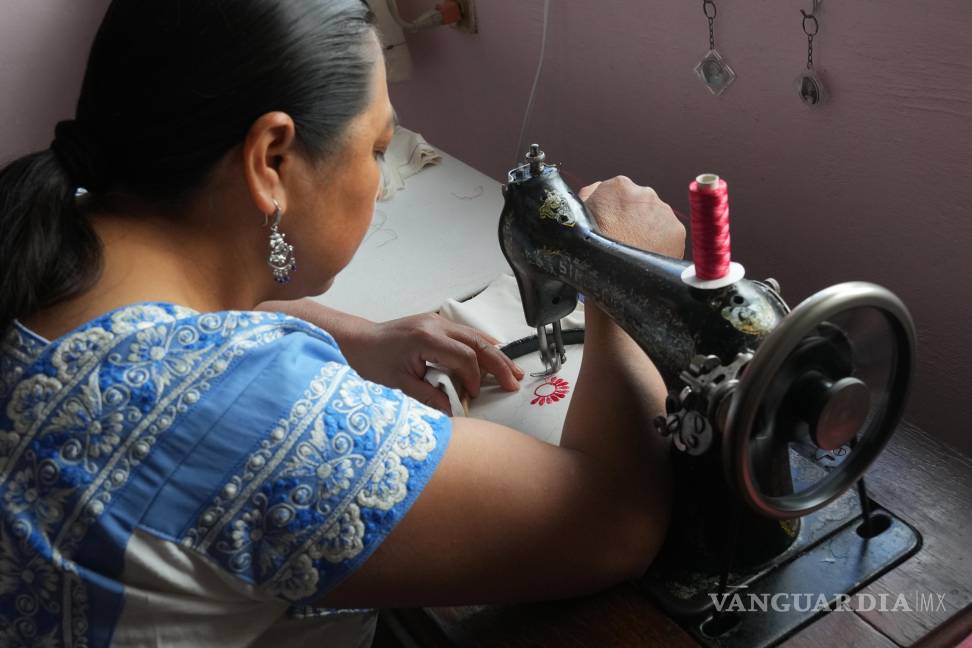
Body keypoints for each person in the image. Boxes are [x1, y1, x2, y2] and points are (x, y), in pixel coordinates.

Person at [0, 1, 684, 646]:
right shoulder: (258, 417)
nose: (379, 178)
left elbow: (176, 323)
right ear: (272, 161)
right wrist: (624, 283)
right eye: (377, 147)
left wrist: (351, 337)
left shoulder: (54, 230)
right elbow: (615, 524)